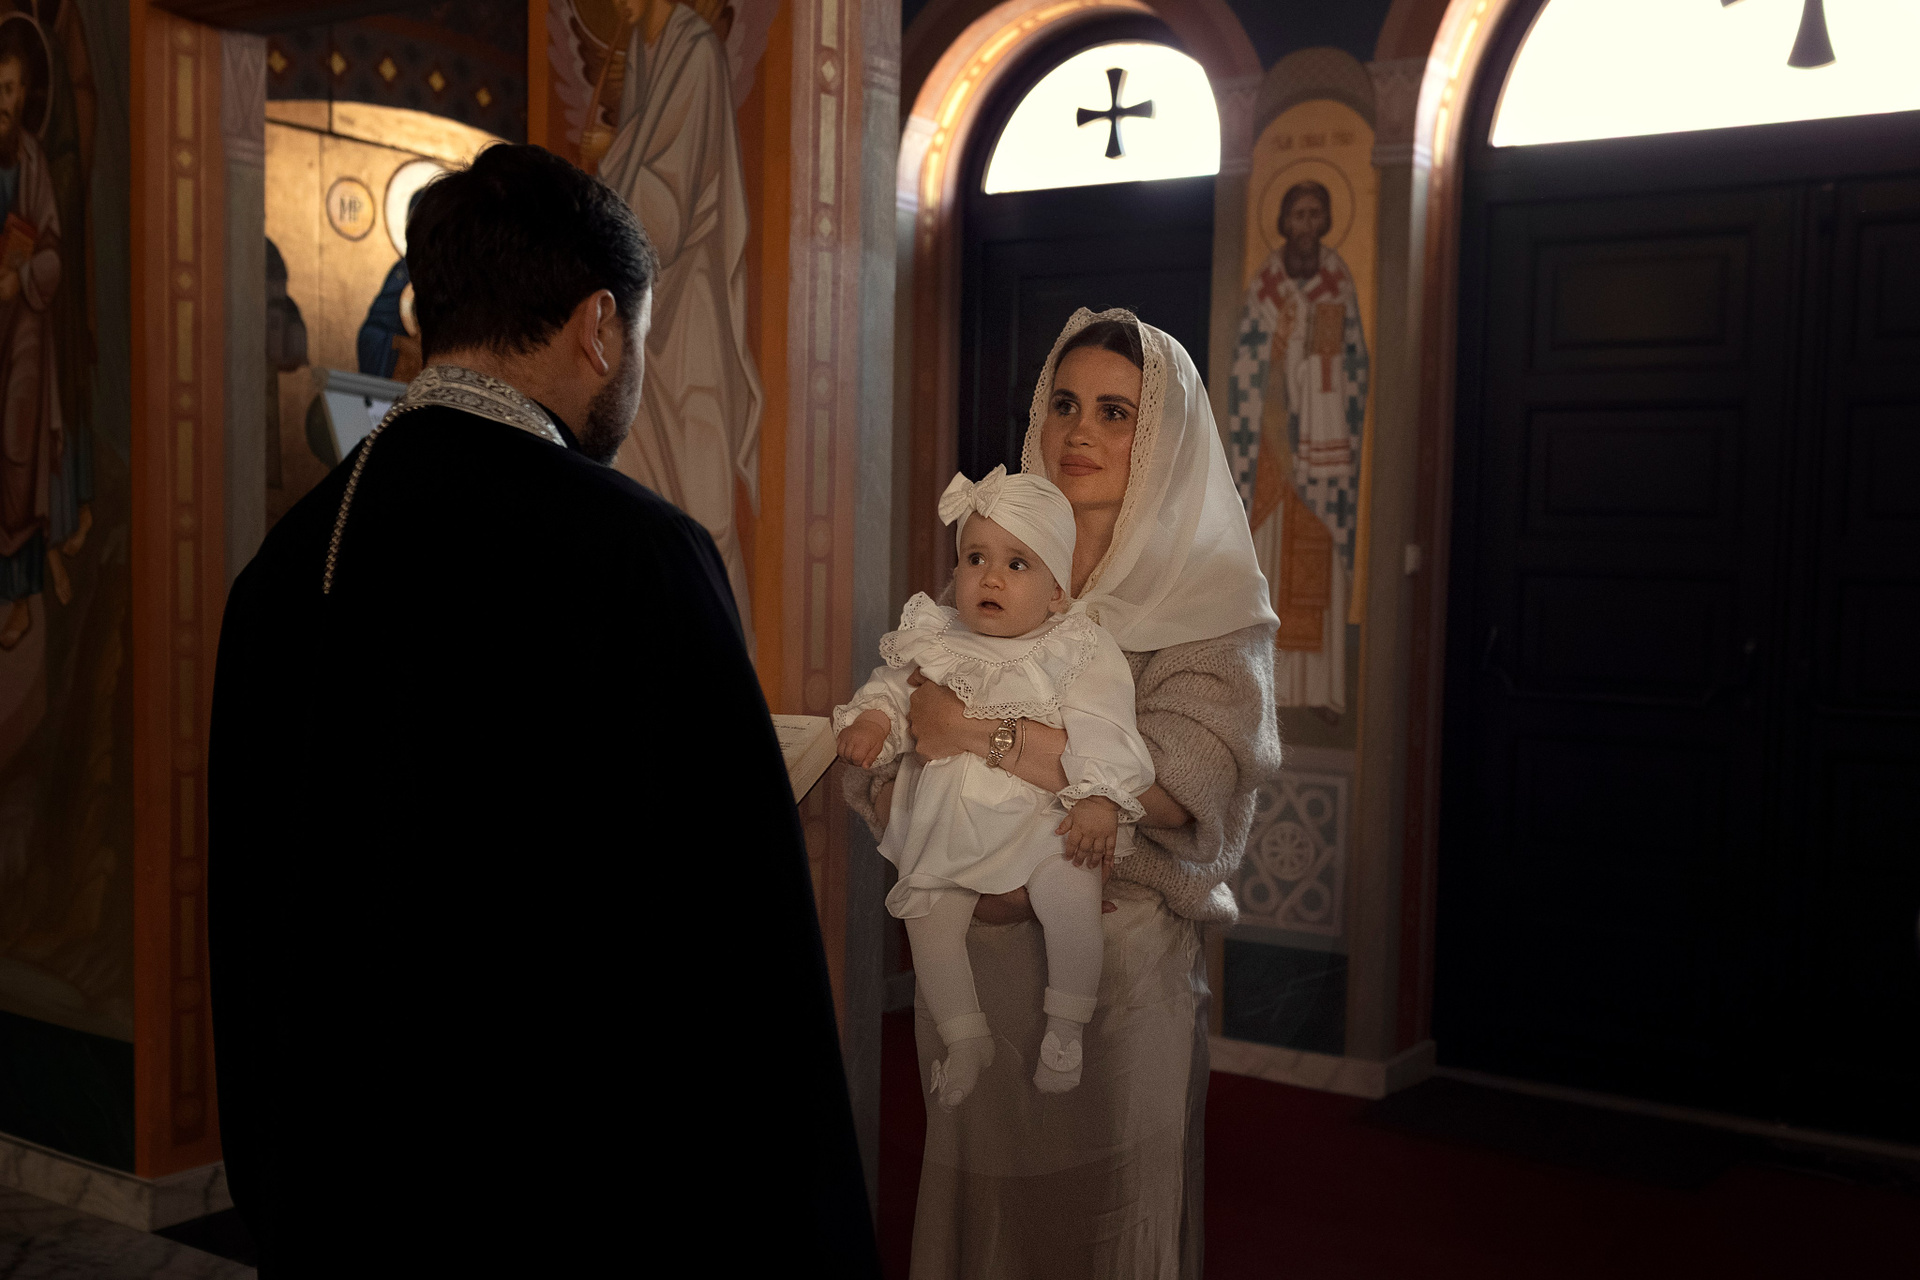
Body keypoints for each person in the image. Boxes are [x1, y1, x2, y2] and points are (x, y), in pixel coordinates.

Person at [209, 143, 877, 1277]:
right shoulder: (641, 554)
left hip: (344, 1193)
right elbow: (739, 950)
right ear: (599, 326)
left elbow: (249, 925)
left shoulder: (285, 565)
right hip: (575, 1203)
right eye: (642, 338)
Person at [846, 309, 1280, 1279]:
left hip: (1119, 976)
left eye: (1116, 412)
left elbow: (1182, 788)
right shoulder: (999, 560)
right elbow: (905, 731)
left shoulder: (1211, 595)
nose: (1080, 431)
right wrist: (914, 768)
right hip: (978, 962)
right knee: (985, 1220)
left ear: (1162, 436)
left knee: (1103, 1226)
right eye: (1065, 404)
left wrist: (984, 735)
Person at [834, 466, 1152, 1109]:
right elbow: (892, 692)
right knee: (928, 916)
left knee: (1072, 895)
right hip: (951, 820)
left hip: (1042, 819)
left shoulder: (1075, 647)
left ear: (1057, 591)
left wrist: (1098, 797)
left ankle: (1067, 1027)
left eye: (1017, 564)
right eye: (975, 558)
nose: (991, 578)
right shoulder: (938, 637)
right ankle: (966, 1037)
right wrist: (872, 723)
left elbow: (1106, 726)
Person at [594, 0, 762, 632]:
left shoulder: (694, 49)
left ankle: (721, 656)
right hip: (644, 318)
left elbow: (664, 207)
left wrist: (605, 168)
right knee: (639, 491)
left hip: (687, 309)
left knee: (702, 500)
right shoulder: (645, 46)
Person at [1227, 179, 1369, 715]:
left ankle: (1319, 690)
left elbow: (1357, 365)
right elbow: (1244, 366)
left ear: (1326, 221)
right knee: (1268, 555)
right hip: (1271, 445)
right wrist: (1280, 347)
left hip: (1323, 451)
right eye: (1298, 215)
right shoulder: (1265, 285)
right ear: (1284, 222)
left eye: (1315, 215)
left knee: (1319, 560)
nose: (1307, 225)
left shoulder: (1337, 281)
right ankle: (1266, 689)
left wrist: (1319, 371)